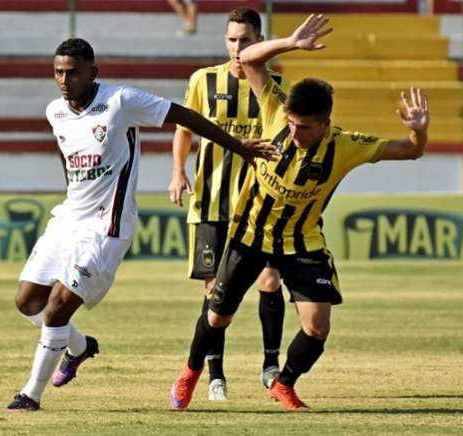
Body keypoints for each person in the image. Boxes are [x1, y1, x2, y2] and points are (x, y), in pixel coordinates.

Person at [170, 14, 430, 411]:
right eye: (291, 124)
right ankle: (189, 373)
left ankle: (283, 382)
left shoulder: (346, 145)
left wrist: (419, 131)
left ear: (326, 124)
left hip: (301, 241)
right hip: (250, 234)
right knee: (218, 316)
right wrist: (291, 42)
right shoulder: (274, 111)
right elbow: (251, 60)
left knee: (317, 327)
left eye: (305, 128)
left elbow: (411, 150)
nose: (294, 132)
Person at [5, 37, 277, 412]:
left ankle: (29, 396)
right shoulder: (56, 111)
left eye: (72, 72)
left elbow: (185, 116)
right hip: (69, 217)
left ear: (93, 73)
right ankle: (80, 348)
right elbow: (66, 155)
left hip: (106, 226)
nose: (64, 80)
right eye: (58, 72)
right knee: (26, 301)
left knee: (56, 308)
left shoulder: (122, 101)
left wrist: (240, 146)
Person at [168, 7, 289, 401]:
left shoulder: (275, 85)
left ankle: (271, 365)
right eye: (232, 40)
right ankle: (215, 374)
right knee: (215, 293)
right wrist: (177, 171)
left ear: (260, 41)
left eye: (247, 41)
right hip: (211, 204)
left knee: (269, 281)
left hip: (260, 208)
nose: (239, 48)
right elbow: (185, 130)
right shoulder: (203, 80)